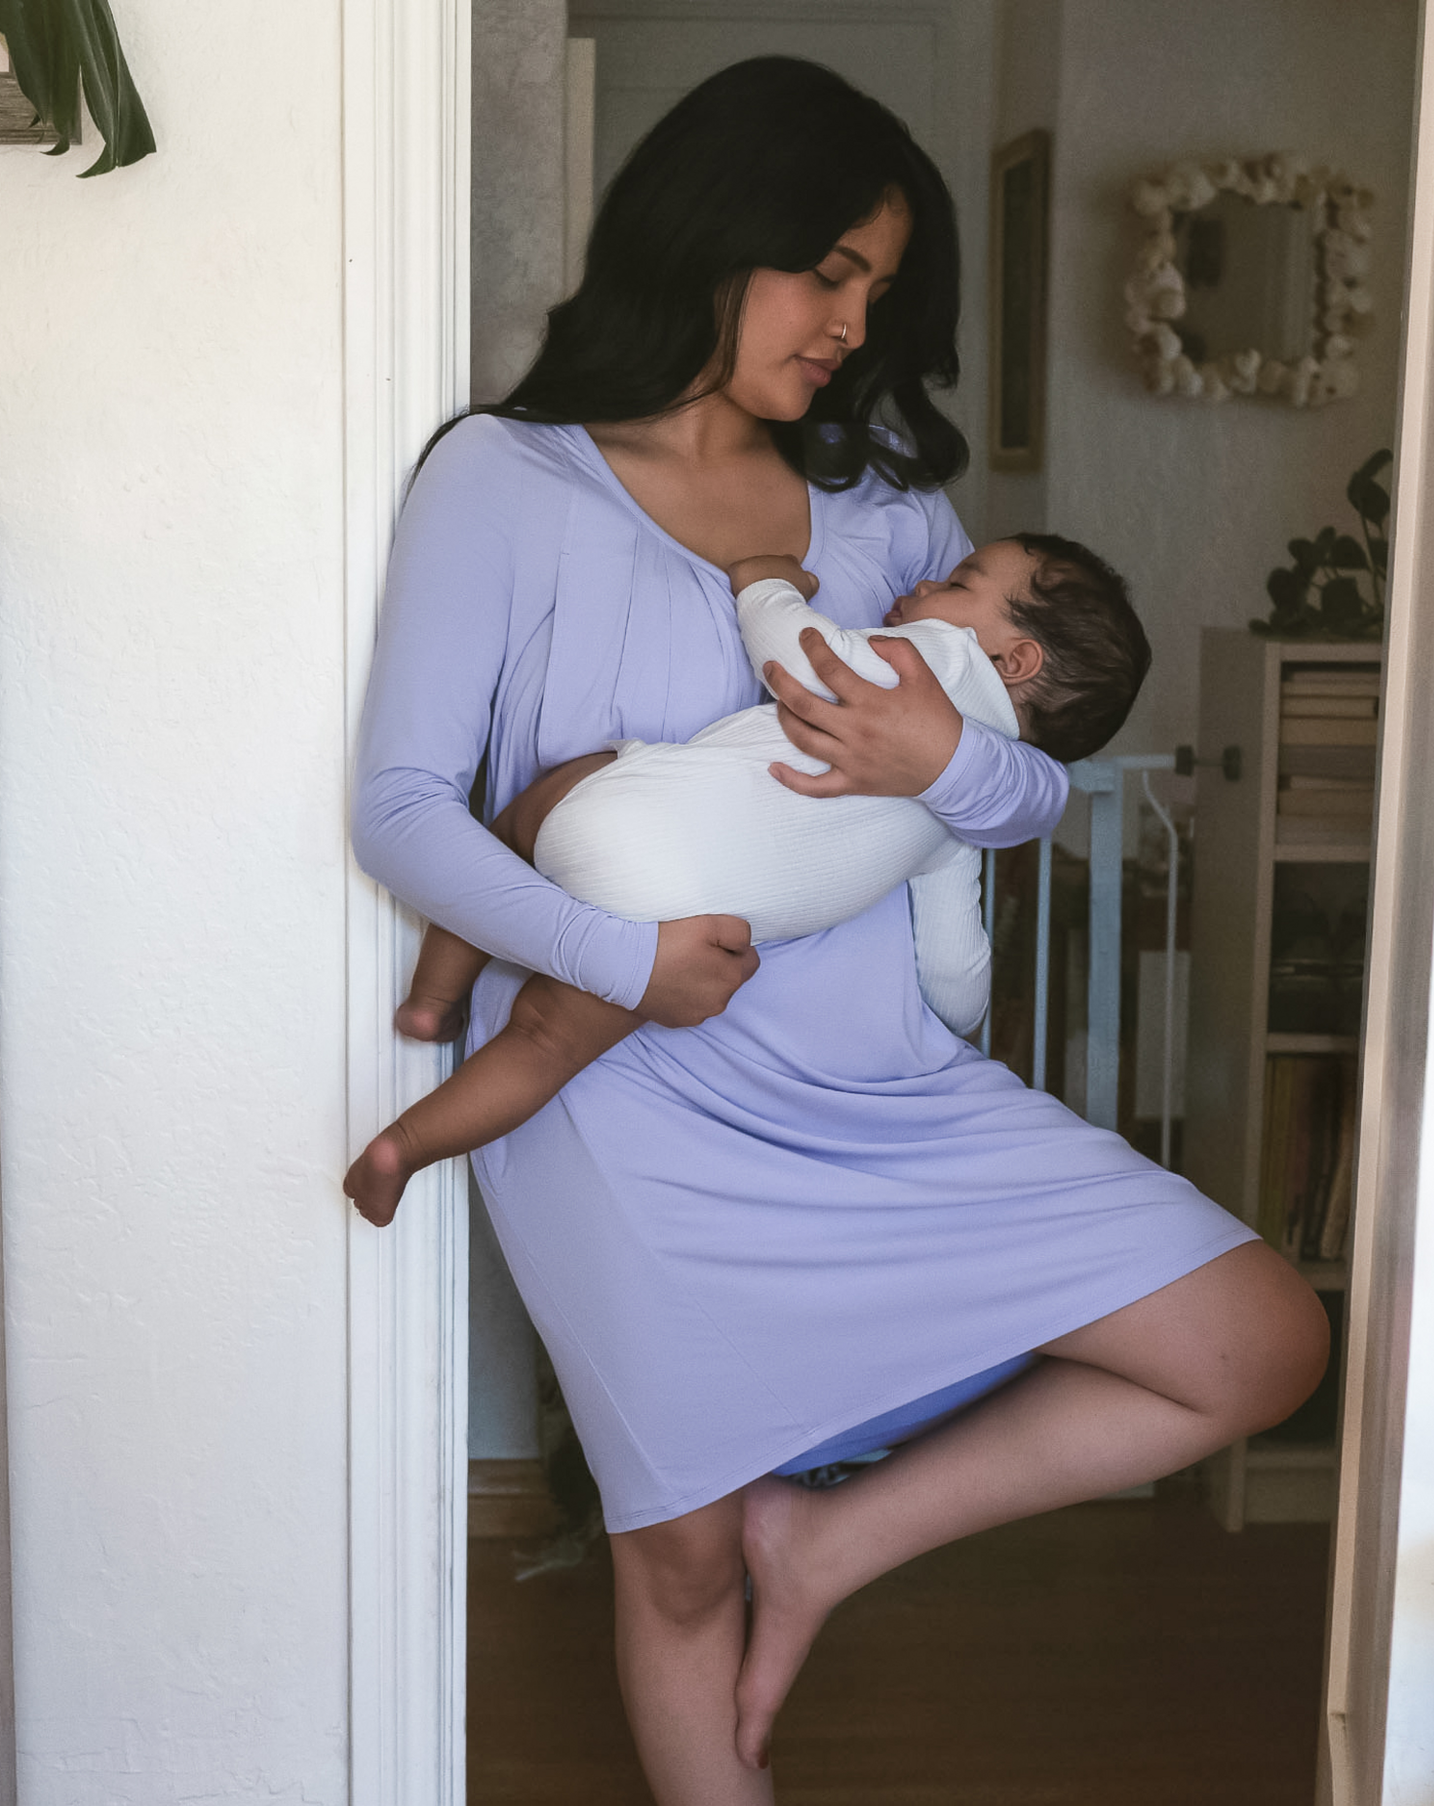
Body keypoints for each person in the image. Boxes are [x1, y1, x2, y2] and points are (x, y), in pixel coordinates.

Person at [351, 57, 1329, 1801]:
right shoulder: (506, 484)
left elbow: (1022, 792)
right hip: (625, 1092)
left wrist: (954, 758)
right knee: (682, 1558)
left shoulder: (893, 519)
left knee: (1257, 1338)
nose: (858, 322)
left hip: (890, 1085)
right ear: (713, 241)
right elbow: (408, 809)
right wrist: (621, 969)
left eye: (883, 289)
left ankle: (835, 1547)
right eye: (834, 273)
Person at [344, 531, 1152, 1229]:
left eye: (959, 583)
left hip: (616, 817)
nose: (925, 585)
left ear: (1012, 659)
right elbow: (954, 976)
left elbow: (794, 658)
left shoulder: (927, 664)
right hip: (685, 932)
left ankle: (431, 1001)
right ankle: (402, 1148)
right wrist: (963, 1020)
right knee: (546, 1041)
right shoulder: (956, 825)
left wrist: (762, 581)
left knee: (514, 830)